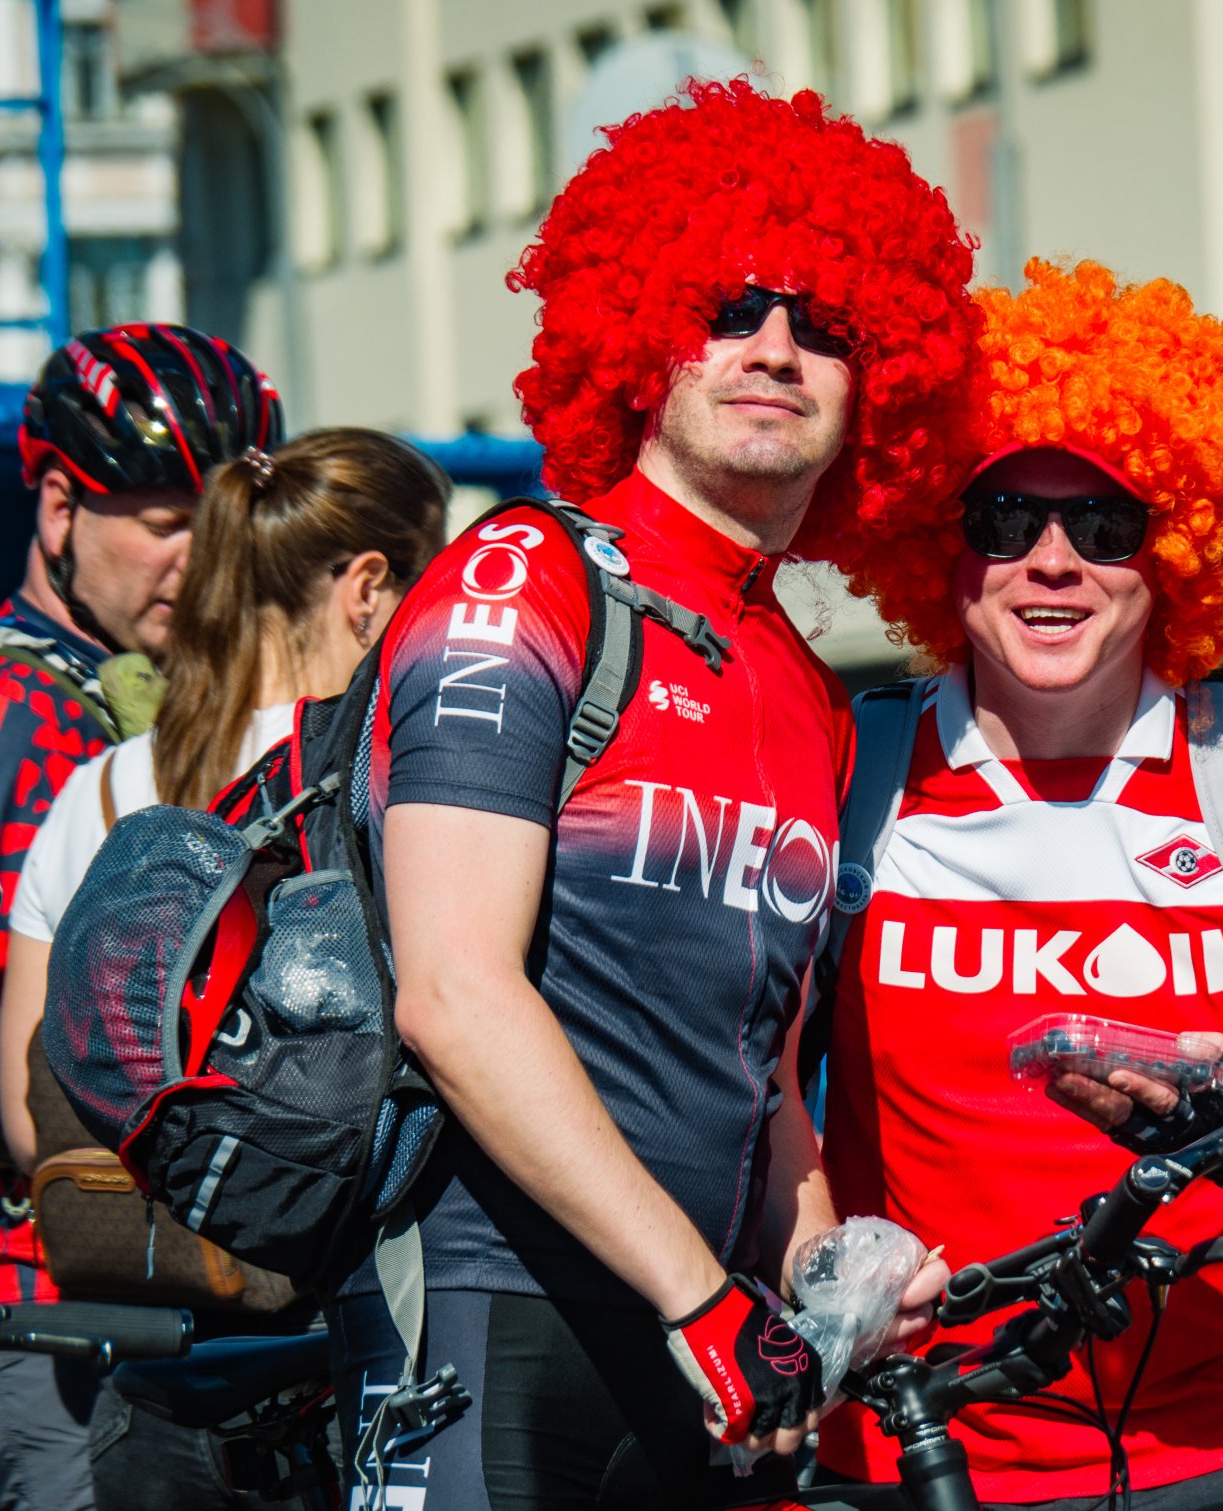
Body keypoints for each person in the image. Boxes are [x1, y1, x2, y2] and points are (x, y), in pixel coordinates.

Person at [323, 81, 978, 1509]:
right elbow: (454, 989)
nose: (776, 349)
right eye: (732, 305)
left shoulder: (801, 681)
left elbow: (765, 1077)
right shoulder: (522, 582)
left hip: (700, 1350)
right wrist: (700, 1295)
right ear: (638, 330)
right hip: (488, 1312)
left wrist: (827, 1280)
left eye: (828, 326)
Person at [814, 259, 1223, 1509]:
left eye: (1105, 522)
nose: (1053, 561)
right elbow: (733, 1083)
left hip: (1220, 1456)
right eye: (1004, 519)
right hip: (916, 1453)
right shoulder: (852, 770)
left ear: (1175, 543)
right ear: (940, 548)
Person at [0, 426, 447, 1511]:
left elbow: (28, 1106)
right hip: (347, 1340)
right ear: (372, 588)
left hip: (144, 1342)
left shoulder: (103, 785)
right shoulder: (400, 782)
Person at [0, 324, 280, 1511]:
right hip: (61, 1308)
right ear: (58, 506)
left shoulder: (191, 704)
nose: (201, 555)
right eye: (163, 518)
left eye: (223, 515)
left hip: (208, 1299)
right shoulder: (10, 711)